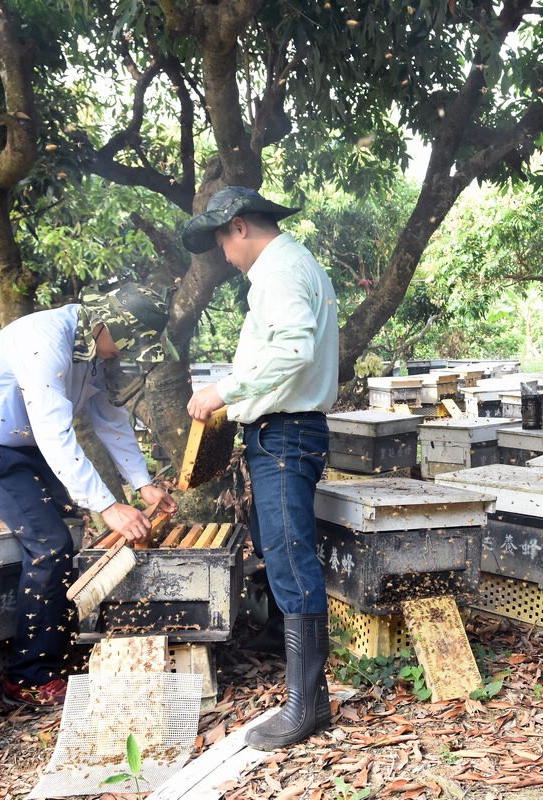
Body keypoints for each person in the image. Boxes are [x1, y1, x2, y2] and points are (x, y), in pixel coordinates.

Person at [0, 283, 178, 707]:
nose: (120, 355)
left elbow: (108, 418)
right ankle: (27, 678)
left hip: (29, 447)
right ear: (103, 324)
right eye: (123, 345)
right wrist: (109, 506)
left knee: (70, 535)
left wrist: (142, 482)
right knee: (49, 545)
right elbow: (55, 433)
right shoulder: (44, 342)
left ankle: (58, 650)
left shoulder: (91, 347)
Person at [181, 186, 339, 750]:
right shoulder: (283, 270)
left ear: (240, 227)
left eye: (222, 240)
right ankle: (303, 686)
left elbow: (294, 350)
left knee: (292, 559)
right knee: (282, 550)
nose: (223, 254)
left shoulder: (282, 271)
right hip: (280, 432)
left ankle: (306, 706)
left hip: (287, 432)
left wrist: (224, 390)